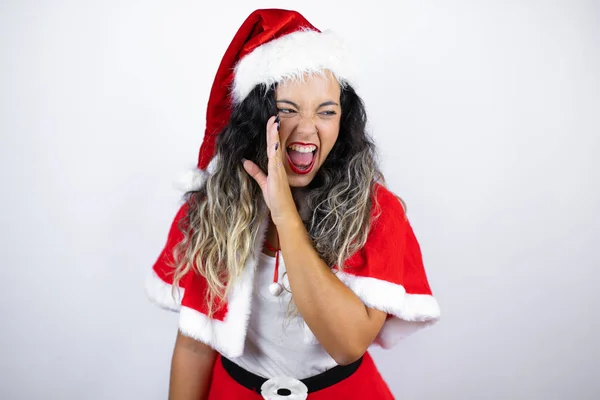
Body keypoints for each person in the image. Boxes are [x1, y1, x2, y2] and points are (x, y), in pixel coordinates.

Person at [145, 8, 441, 400]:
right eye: (285, 110)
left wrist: (284, 213)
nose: (306, 129)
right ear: (255, 118)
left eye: (326, 112)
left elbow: (348, 343)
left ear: (343, 121)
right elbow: (195, 345)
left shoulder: (377, 212)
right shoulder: (210, 208)